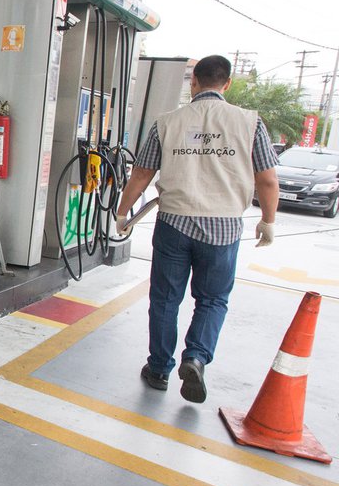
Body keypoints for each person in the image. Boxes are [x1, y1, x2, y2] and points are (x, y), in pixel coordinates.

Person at [115, 54, 279, 404]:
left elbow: (142, 173)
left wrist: (122, 211)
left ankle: (159, 368)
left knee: (164, 299)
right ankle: (196, 357)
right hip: (223, 229)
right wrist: (268, 220)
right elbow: (267, 179)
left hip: (174, 222)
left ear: (194, 82)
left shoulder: (168, 122)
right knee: (213, 299)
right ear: (227, 83)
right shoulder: (251, 123)